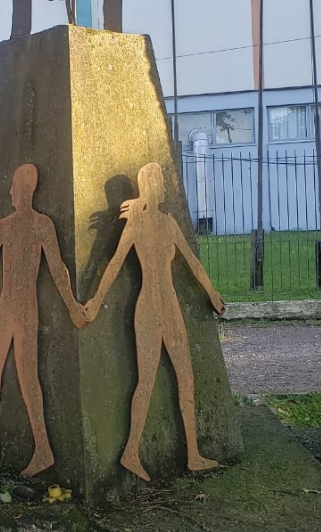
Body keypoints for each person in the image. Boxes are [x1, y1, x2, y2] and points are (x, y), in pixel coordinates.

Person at [84, 162, 224, 482]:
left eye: (161, 182)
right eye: (158, 182)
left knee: (184, 378)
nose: (161, 187)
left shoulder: (168, 224)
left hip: (169, 307)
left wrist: (212, 292)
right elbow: (115, 264)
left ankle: (192, 454)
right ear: (149, 187)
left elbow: (192, 262)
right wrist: (95, 300)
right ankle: (131, 451)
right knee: (146, 381)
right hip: (148, 307)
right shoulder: (137, 224)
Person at [0, 163, 88, 477]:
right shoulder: (5, 225)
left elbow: (57, 268)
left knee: (28, 379)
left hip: (25, 309)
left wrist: (71, 305)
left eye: (13, 186)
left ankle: (43, 449)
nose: (10, 191)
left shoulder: (42, 225)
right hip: (6, 308)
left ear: (23, 189)